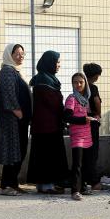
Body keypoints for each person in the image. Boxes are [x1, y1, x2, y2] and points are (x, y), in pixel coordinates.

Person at [27, 50, 68, 194]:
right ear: (49, 62)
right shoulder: (44, 80)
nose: (59, 65)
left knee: (44, 155)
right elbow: (53, 103)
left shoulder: (45, 78)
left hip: (46, 125)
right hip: (47, 126)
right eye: (57, 62)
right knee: (47, 156)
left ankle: (44, 184)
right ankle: (47, 185)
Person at [0, 44, 32, 196]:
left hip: (19, 120)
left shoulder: (15, 71)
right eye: (17, 53)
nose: (21, 56)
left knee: (19, 152)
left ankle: (13, 183)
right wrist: (20, 114)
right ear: (9, 55)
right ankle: (6, 185)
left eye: (22, 53)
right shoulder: (7, 71)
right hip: (12, 121)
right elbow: (8, 95)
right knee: (12, 152)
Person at [64, 73, 95, 200]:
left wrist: (94, 117)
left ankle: (82, 187)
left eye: (81, 82)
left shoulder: (85, 99)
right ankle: (75, 190)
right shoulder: (71, 98)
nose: (78, 85)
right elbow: (67, 117)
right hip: (77, 136)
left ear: (85, 83)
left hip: (87, 135)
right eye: (75, 82)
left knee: (86, 163)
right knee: (77, 164)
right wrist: (84, 119)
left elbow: (87, 114)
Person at [83, 62, 102, 190]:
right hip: (92, 120)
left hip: (82, 121)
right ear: (95, 75)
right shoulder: (92, 87)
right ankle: (94, 181)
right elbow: (96, 101)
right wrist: (98, 114)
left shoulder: (81, 85)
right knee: (93, 152)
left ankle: (84, 179)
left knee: (84, 152)